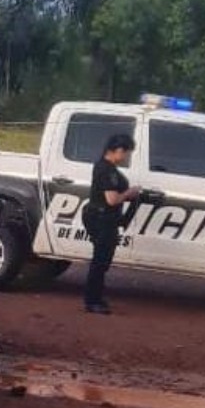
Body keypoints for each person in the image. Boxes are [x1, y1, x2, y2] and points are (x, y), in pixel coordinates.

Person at [82, 134, 142, 315]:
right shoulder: (107, 170)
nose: (126, 157)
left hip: (103, 218)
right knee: (100, 260)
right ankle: (92, 301)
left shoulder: (106, 167)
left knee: (102, 260)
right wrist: (129, 193)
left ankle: (96, 297)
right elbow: (112, 199)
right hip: (102, 218)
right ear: (118, 150)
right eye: (126, 153)